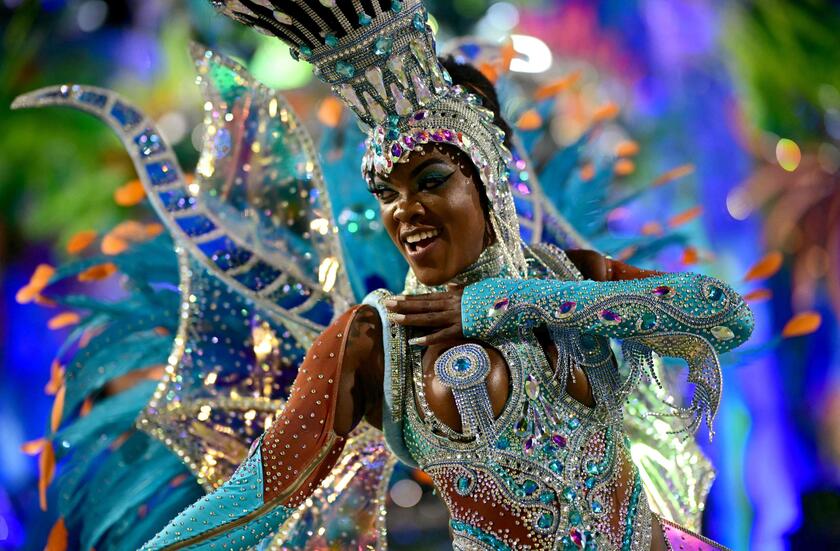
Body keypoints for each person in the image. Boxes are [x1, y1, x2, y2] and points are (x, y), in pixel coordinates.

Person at [136, 1, 753, 549]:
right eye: (387, 192)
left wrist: (513, 303)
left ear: (486, 181)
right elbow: (255, 501)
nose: (406, 210)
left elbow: (726, 314)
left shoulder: (569, 274)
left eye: (431, 181)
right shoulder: (377, 339)